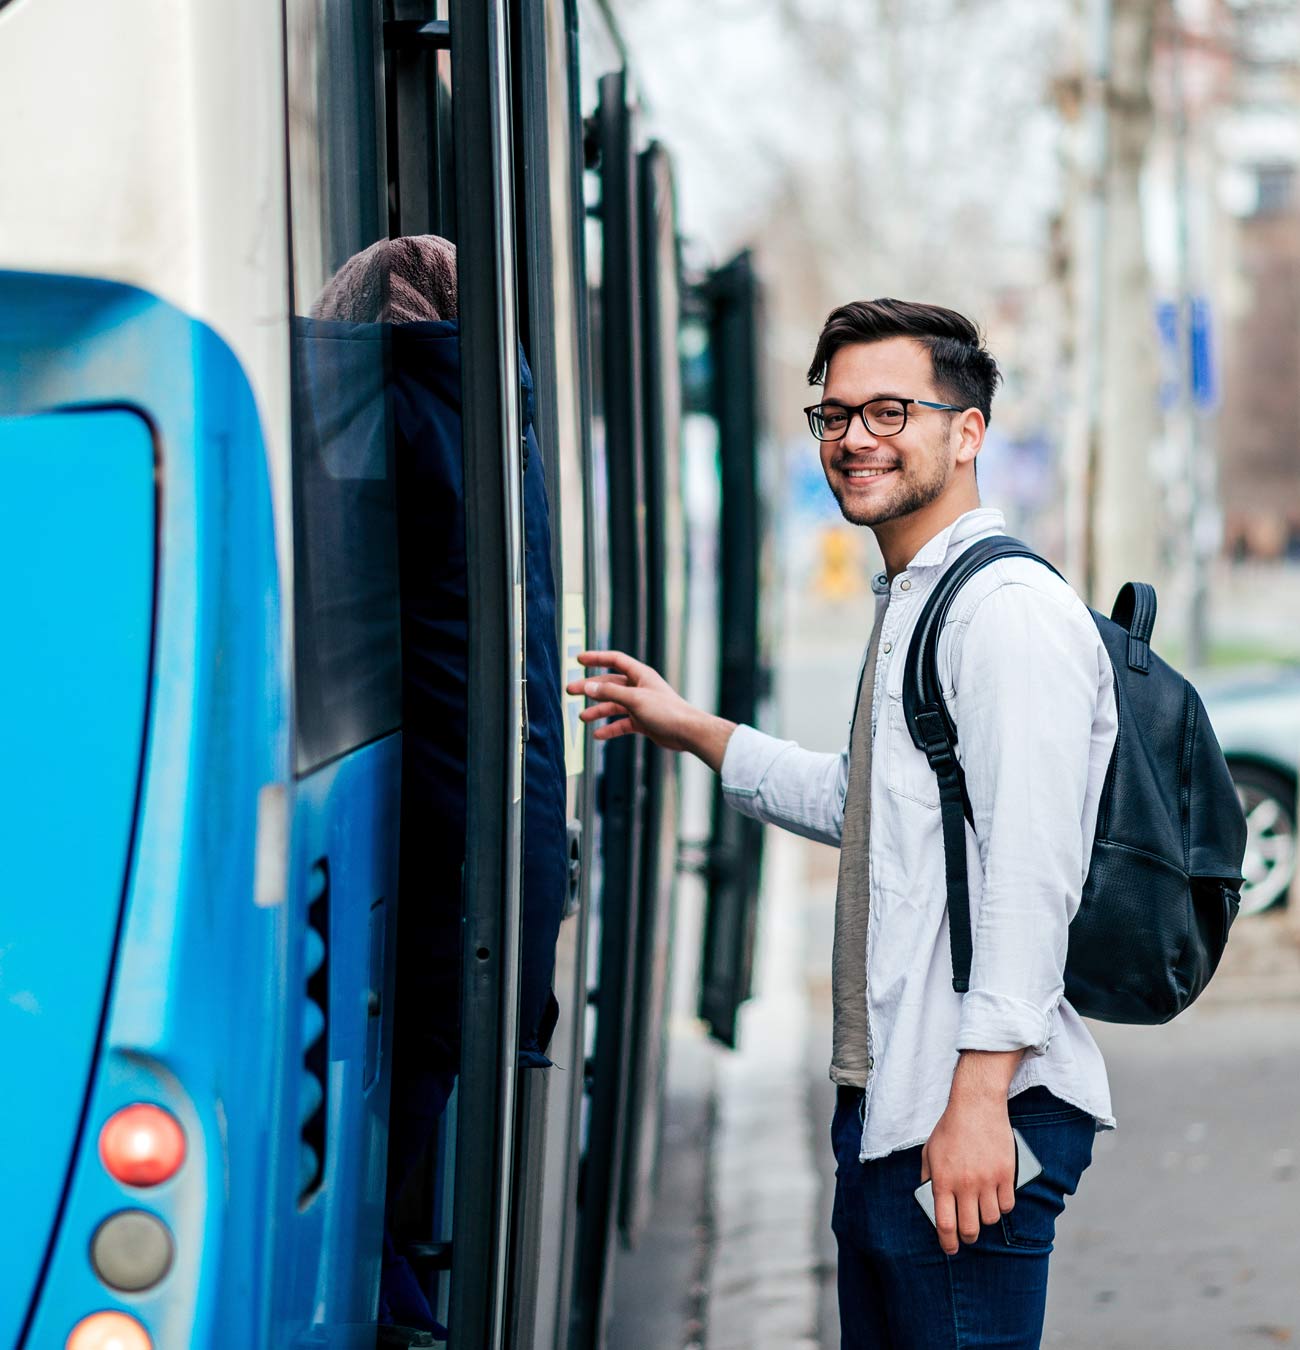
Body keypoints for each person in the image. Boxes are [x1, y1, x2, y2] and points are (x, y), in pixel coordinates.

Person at [569, 299, 1117, 1349]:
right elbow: (869, 815)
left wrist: (978, 1101)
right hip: (895, 1106)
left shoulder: (1001, 613)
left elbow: (1031, 872)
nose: (853, 436)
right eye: (833, 413)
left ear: (966, 432)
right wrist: (690, 726)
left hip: (965, 1110)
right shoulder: (918, 592)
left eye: (887, 410)